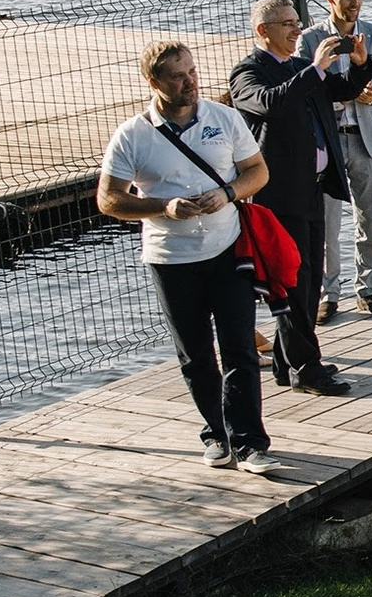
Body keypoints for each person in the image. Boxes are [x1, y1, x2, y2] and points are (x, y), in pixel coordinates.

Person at [97, 40, 285, 476]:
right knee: (195, 352)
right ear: (154, 82)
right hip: (170, 256)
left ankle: (251, 442)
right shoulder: (133, 134)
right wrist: (163, 207)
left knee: (239, 345)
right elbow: (109, 200)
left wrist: (227, 193)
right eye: (178, 76)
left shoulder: (224, 118)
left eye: (193, 72)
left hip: (228, 248)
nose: (190, 83)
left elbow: (258, 171)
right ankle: (216, 434)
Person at [230, 0, 369, 396]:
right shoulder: (248, 73)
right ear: (263, 31)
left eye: (297, 22)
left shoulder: (297, 68)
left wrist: (360, 64)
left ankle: (286, 361)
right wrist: (316, 68)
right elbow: (269, 104)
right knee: (291, 281)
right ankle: (307, 368)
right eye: (288, 24)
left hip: (313, 189)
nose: (297, 30)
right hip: (278, 194)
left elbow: (340, 90)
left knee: (309, 281)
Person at [298, 0, 372, 320]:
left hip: (366, 137)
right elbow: (303, 85)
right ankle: (329, 293)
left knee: (368, 217)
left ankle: (367, 290)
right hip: (328, 141)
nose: (354, 4)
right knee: (327, 221)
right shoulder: (310, 40)